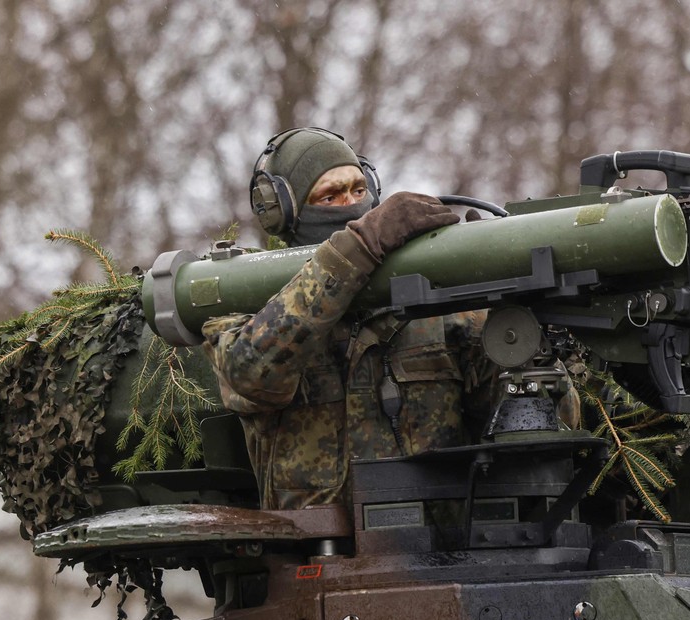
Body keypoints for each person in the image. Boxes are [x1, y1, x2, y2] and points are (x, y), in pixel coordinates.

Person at [204, 126, 488, 510]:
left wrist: (505, 310)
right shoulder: (248, 301)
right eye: (330, 196)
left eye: (358, 190)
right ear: (286, 212)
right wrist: (359, 246)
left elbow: (541, 423)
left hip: (445, 555)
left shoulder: (438, 310)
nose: (352, 206)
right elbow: (253, 374)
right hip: (314, 557)